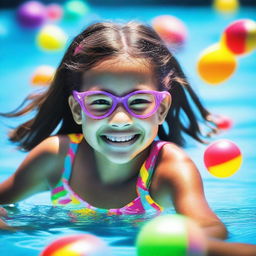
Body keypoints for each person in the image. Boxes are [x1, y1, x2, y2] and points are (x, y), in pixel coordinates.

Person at [0, 21, 255, 255]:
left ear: (161, 110)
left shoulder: (168, 168)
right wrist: (17, 229)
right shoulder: (57, 158)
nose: (120, 120)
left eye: (139, 102)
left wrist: (181, 241)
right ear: (78, 110)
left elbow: (211, 228)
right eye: (100, 102)